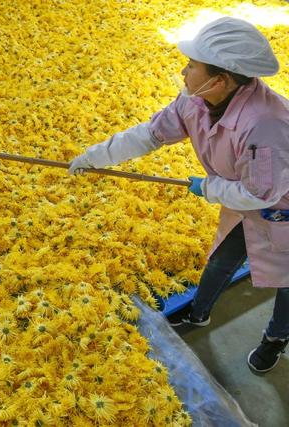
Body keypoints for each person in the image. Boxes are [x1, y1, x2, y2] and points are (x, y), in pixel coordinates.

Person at [68, 17, 289, 373]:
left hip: (282, 208)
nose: (184, 70)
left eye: (192, 65)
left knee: (287, 281)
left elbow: (262, 192)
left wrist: (210, 188)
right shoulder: (196, 99)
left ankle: (276, 339)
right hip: (248, 202)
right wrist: (96, 156)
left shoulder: (266, 124)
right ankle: (199, 311)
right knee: (221, 260)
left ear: (220, 79)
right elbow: (151, 134)